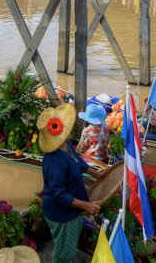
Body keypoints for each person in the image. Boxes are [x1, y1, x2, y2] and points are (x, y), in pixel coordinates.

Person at [38, 103, 100, 263]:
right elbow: (58, 194)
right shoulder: (54, 161)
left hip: (72, 209)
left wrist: (98, 174)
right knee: (64, 252)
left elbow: (79, 162)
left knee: (69, 247)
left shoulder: (66, 146)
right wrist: (87, 206)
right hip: (61, 213)